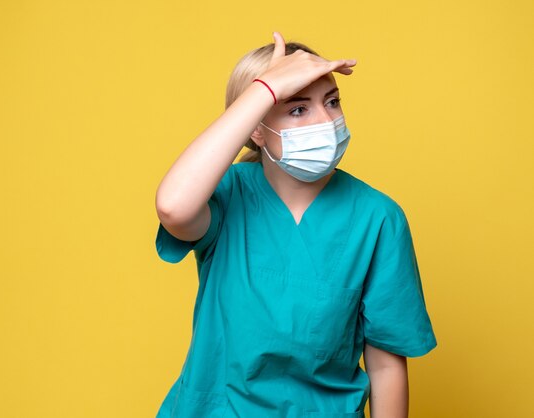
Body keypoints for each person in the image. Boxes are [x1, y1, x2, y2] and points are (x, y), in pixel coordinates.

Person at [154, 32, 437, 418]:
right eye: (298, 109)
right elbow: (173, 207)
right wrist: (265, 89)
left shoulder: (377, 218)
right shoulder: (227, 195)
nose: (326, 120)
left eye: (333, 102)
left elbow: (386, 365)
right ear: (255, 127)